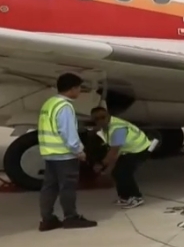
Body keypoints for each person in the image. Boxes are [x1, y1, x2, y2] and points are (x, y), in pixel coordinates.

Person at [38, 73, 97, 231]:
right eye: (79, 88)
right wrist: (79, 151)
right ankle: (71, 217)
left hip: (50, 153)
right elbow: (67, 132)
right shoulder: (64, 106)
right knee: (68, 187)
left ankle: (47, 219)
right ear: (72, 89)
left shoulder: (49, 103)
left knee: (49, 187)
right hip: (64, 155)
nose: (80, 91)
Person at [91, 107, 152, 209]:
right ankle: (125, 197)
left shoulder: (117, 129)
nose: (100, 120)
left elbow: (114, 152)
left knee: (124, 172)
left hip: (140, 149)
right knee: (117, 171)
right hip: (128, 150)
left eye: (103, 117)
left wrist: (102, 164)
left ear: (108, 116)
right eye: (97, 119)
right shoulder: (107, 127)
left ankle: (137, 197)